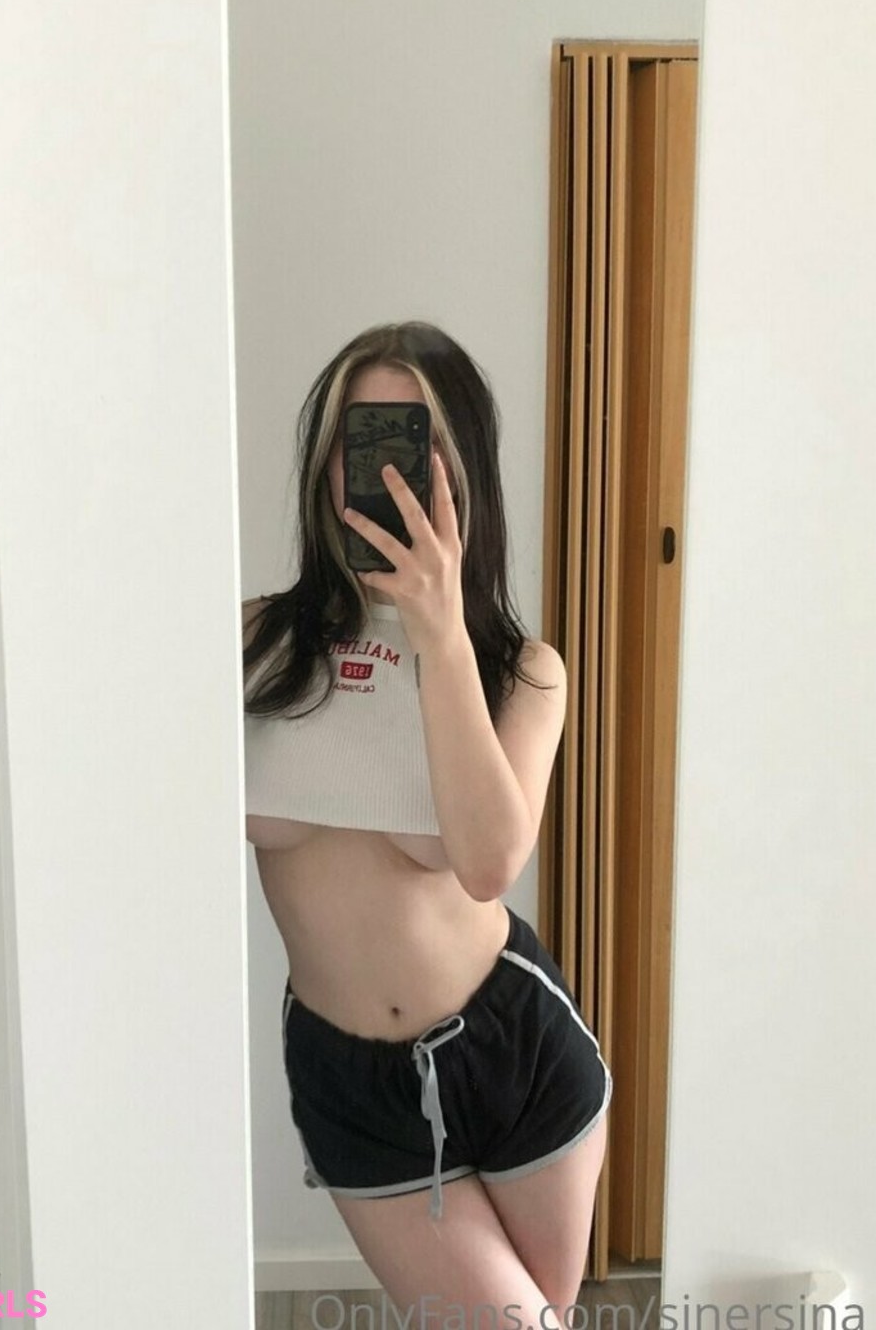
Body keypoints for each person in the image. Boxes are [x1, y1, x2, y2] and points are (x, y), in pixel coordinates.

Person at [242, 321, 611, 1323]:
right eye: (360, 440)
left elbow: (489, 863)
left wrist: (439, 633)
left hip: (514, 1048)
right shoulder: (256, 642)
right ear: (327, 465)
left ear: (462, 471)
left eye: (412, 443)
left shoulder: (523, 671)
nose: (385, 473)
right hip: (350, 1076)